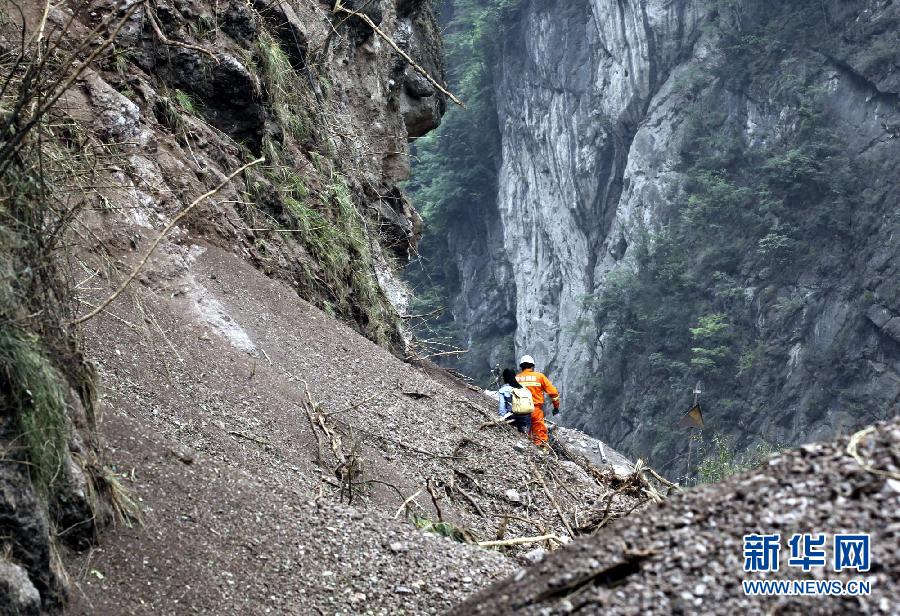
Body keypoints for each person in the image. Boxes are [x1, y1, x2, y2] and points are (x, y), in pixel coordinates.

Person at [516, 354, 560, 446]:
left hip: (519, 411)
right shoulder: (539, 377)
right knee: (540, 435)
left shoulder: (516, 378)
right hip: (535, 410)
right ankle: (542, 452)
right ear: (532, 366)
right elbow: (554, 393)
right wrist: (556, 407)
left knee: (523, 435)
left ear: (521, 367)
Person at [497, 368, 533, 435]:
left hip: (514, 416)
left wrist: (502, 417)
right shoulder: (523, 388)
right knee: (527, 437)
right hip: (527, 416)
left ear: (504, 378)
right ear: (514, 376)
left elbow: (502, 408)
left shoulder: (503, 390)